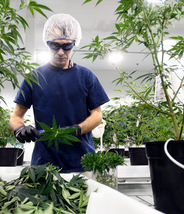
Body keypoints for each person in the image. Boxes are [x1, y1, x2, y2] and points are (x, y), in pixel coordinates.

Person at [9, 13, 110, 173]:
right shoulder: (34, 77)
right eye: (55, 46)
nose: (61, 52)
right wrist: (20, 129)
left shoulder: (86, 76)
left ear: (74, 43)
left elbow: (97, 115)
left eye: (67, 46)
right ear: (47, 43)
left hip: (82, 162)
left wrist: (77, 129)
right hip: (44, 166)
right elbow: (16, 116)